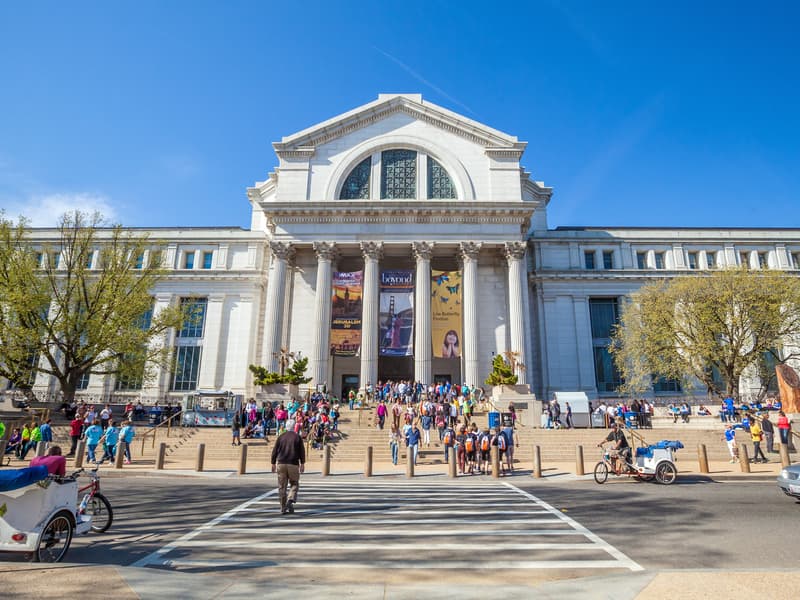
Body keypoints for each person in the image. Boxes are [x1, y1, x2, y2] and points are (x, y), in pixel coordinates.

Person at [270, 419, 305, 514]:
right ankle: (290, 499)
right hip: (293, 463)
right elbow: (302, 451)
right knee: (294, 483)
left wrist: (273, 463)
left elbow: (275, 450)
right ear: (294, 427)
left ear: (286, 427)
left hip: (281, 463)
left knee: (282, 486)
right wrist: (302, 463)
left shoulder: (281, 437)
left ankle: (283, 507)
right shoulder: (297, 437)